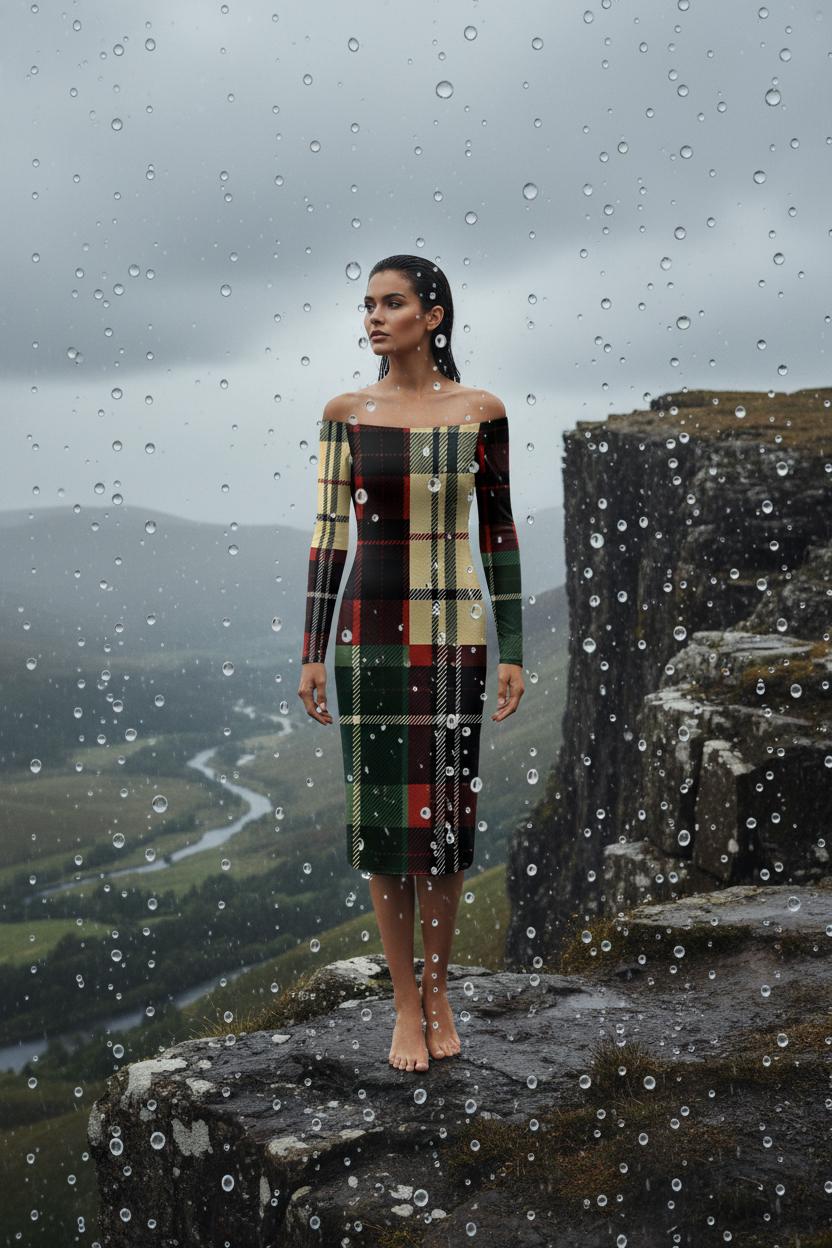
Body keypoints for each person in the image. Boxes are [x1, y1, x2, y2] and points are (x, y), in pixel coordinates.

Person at [298, 255, 524, 1073]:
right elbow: (328, 537)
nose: (374, 317)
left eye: (392, 303)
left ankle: (440, 992)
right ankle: (404, 1004)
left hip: (455, 630)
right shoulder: (346, 413)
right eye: (367, 304)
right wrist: (312, 653)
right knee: (387, 830)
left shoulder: (480, 413)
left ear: (433, 316)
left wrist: (514, 651)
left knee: (446, 828)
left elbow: (497, 533)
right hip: (371, 629)